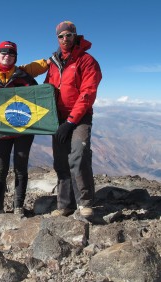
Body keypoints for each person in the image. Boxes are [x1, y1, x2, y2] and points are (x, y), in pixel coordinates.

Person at [0, 41, 48, 216]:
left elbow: (36, 101)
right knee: (0, 171)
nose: (7, 56)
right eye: (3, 53)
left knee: (20, 169)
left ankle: (18, 206)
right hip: (1, 133)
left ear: (16, 57)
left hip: (23, 132)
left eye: (11, 54)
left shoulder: (25, 78)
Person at [44, 21, 102, 218]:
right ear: (57, 38)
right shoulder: (53, 62)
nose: (65, 39)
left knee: (78, 154)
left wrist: (70, 122)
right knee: (61, 161)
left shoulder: (86, 61)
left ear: (75, 35)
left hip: (79, 116)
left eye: (69, 35)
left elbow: (87, 93)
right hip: (58, 118)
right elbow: (46, 89)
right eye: (61, 36)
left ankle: (85, 203)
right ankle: (65, 205)